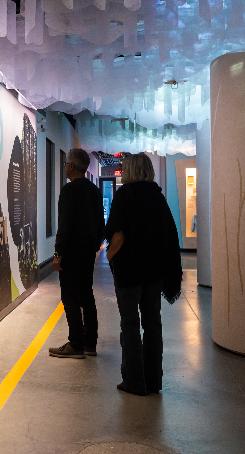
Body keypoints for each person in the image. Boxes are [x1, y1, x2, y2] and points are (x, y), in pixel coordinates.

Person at [104, 153, 182, 395]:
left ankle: (134, 382)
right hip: (154, 271)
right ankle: (154, 380)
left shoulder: (124, 195)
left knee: (129, 324)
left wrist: (108, 256)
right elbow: (168, 233)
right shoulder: (157, 196)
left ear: (130, 170)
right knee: (152, 323)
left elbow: (118, 234)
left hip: (129, 271)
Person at [48, 148, 104, 359]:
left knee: (70, 297)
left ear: (71, 166)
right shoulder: (94, 191)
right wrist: (94, 246)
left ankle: (76, 344)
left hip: (71, 253)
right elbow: (101, 224)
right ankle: (90, 343)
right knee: (86, 295)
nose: (64, 168)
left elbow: (65, 225)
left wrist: (58, 253)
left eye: (65, 164)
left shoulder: (69, 190)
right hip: (88, 252)